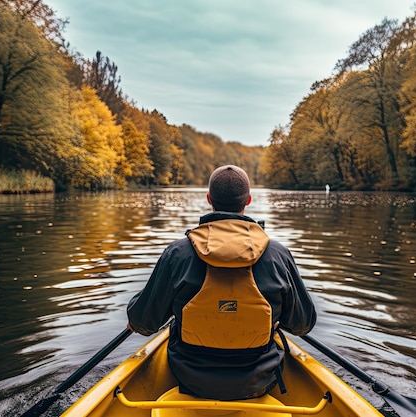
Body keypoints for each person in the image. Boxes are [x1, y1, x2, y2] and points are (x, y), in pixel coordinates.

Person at [127, 164, 316, 400]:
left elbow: (143, 322)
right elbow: (303, 325)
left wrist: (137, 307)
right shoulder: (278, 255)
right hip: (258, 382)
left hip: (190, 380)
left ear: (209, 199)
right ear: (248, 200)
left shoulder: (177, 254)